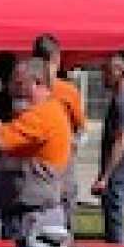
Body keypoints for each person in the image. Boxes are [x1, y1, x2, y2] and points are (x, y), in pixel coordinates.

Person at [0, 58, 73, 240]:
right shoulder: (39, 113)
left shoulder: (41, 115)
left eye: (18, 83)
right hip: (27, 213)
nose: (11, 89)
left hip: (35, 217)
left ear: (37, 83)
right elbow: (8, 133)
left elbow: (0, 139)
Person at [33, 34, 86, 228]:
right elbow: (81, 127)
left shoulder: (27, 87)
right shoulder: (68, 91)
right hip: (62, 159)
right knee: (64, 204)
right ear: (57, 58)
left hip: (35, 159)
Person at [90, 52, 124, 245]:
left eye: (107, 70)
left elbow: (122, 140)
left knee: (115, 224)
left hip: (119, 174)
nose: (103, 75)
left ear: (120, 72)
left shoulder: (123, 102)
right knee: (114, 221)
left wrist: (105, 176)